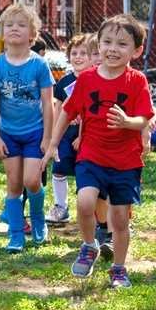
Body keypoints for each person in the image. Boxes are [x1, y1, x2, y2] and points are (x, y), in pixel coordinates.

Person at [52, 15, 154, 287]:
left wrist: (127, 122)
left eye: (122, 44)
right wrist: (52, 143)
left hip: (125, 162)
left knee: (119, 220)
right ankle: (88, 246)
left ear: (137, 50)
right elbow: (67, 111)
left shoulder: (137, 81)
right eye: (107, 42)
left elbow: (144, 118)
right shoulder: (85, 80)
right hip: (91, 156)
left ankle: (119, 269)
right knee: (85, 202)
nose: (112, 49)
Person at [0, 3, 56, 252]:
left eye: (21, 25)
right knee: (14, 183)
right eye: (9, 25)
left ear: (32, 35)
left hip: (35, 132)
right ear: (2, 32)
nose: (14, 29)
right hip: (9, 134)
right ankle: (16, 236)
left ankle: (38, 220)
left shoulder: (39, 65)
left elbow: (48, 104)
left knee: (32, 181)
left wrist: (48, 138)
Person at [46, 33, 95, 225]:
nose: (78, 57)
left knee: (86, 172)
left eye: (83, 53)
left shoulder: (94, 80)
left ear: (92, 57)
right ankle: (61, 207)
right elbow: (58, 108)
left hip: (87, 135)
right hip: (66, 134)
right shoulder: (64, 82)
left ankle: (89, 210)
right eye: (74, 53)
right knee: (59, 169)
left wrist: (81, 135)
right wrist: (53, 137)